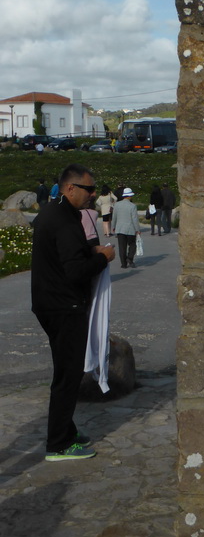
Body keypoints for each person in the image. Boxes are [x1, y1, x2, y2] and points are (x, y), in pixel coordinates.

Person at [31, 163, 115, 461]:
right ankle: (59, 443)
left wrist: (88, 252)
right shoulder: (66, 221)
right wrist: (103, 257)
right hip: (64, 305)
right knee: (68, 376)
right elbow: (75, 272)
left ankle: (66, 428)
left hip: (49, 303)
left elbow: (62, 255)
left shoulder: (53, 214)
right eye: (88, 189)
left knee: (65, 371)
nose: (93, 194)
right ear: (70, 188)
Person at [111, 187, 141, 268]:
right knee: (132, 245)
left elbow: (114, 217)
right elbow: (135, 219)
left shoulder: (117, 205)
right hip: (130, 229)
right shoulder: (132, 206)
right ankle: (130, 258)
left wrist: (113, 227)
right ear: (130, 196)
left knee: (122, 247)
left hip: (120, 229)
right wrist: (137, 229)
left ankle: (123, 264)